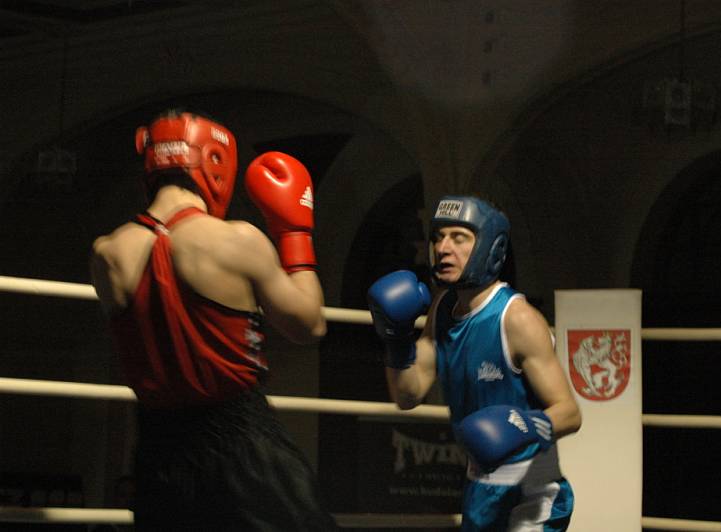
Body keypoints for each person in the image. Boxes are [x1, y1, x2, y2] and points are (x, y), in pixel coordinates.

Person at [90, 109, 337, 531]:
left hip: (156, 450)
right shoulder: (236, 240)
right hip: (240, 444)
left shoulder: (107, 253)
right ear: (215, 162)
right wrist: (295, 233)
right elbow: (308, 325)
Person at [368, 195, 582, 531]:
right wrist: (396, 340)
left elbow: (569, 412)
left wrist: (521, 425)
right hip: (479, 486)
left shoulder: (517, 319)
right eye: (438, 237)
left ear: (489, 247)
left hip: (533, 491)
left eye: (459, 237)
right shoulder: (441, 311)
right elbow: (407, 395)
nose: (442, 248)